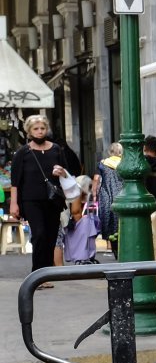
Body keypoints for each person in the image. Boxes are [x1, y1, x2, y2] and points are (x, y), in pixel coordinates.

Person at [8, 115, 82, 281]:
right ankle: (37, 274)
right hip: (31, 200)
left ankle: (46, 273)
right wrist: (14, 204)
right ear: (29, 131)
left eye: (42, 128)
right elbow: (15, 182)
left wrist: (61, 172)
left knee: (50, 236)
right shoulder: (23, 152)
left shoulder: (56, 149)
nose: (40, 132)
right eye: (36, 129)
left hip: (53, 200)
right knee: (39, 234)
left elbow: (67, 173)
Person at [93, 142, 124, 256]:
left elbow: (96, 179)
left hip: (107, 195)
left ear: (110, 152)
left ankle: (112, 246)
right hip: (121, 194)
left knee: (109, 220)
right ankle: (121, 245)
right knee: (120, 219)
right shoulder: (124, 164)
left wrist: (94, 194)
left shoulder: (102, 164)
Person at [62, 176, 100, 265]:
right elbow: (75, 212)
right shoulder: (77, 190)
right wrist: (81, 221)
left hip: (66, 221)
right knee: (88, 222)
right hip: (68, 221)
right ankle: (84, 255)